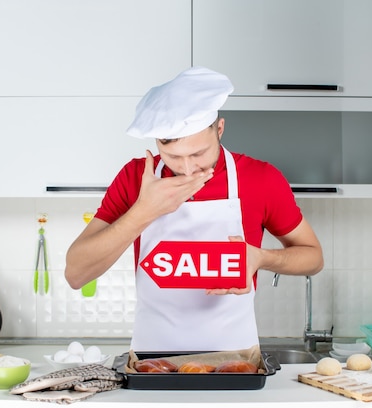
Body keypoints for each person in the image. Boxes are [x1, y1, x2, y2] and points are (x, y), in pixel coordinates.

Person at [65, 66, 323, 351]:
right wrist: (144, 212)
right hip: (153, 363)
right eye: (173, 156)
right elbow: (76, 274)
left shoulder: (260, 179)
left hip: (235, 361)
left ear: (220, 128)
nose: (187, 169)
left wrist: (260, 258)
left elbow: (313, 258)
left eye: (199, 153)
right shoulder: (135, 178)